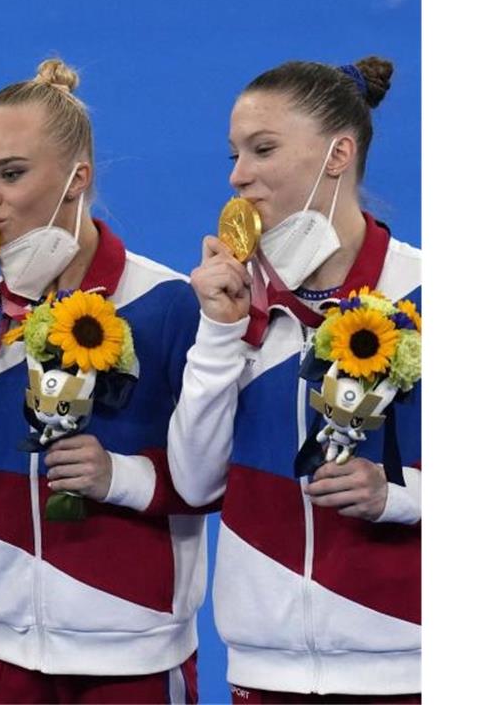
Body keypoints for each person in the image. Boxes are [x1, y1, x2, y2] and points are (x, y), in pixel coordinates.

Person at [0, 58, 209, 704]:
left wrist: (118, 478)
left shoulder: (164, 305)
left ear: (78, 179)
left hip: (134, 651)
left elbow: (215, 479)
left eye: (11, 174)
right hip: (6, 650)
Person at [166, 57, 420, 703]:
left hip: (408, 669)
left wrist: (397, 496)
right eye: (234, 153)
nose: (237, 175)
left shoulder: (428, 293)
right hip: (263, 674)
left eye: (263, 149)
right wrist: (220, 332)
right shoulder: (234, 303)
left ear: (339, 153)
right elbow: (194, 483)